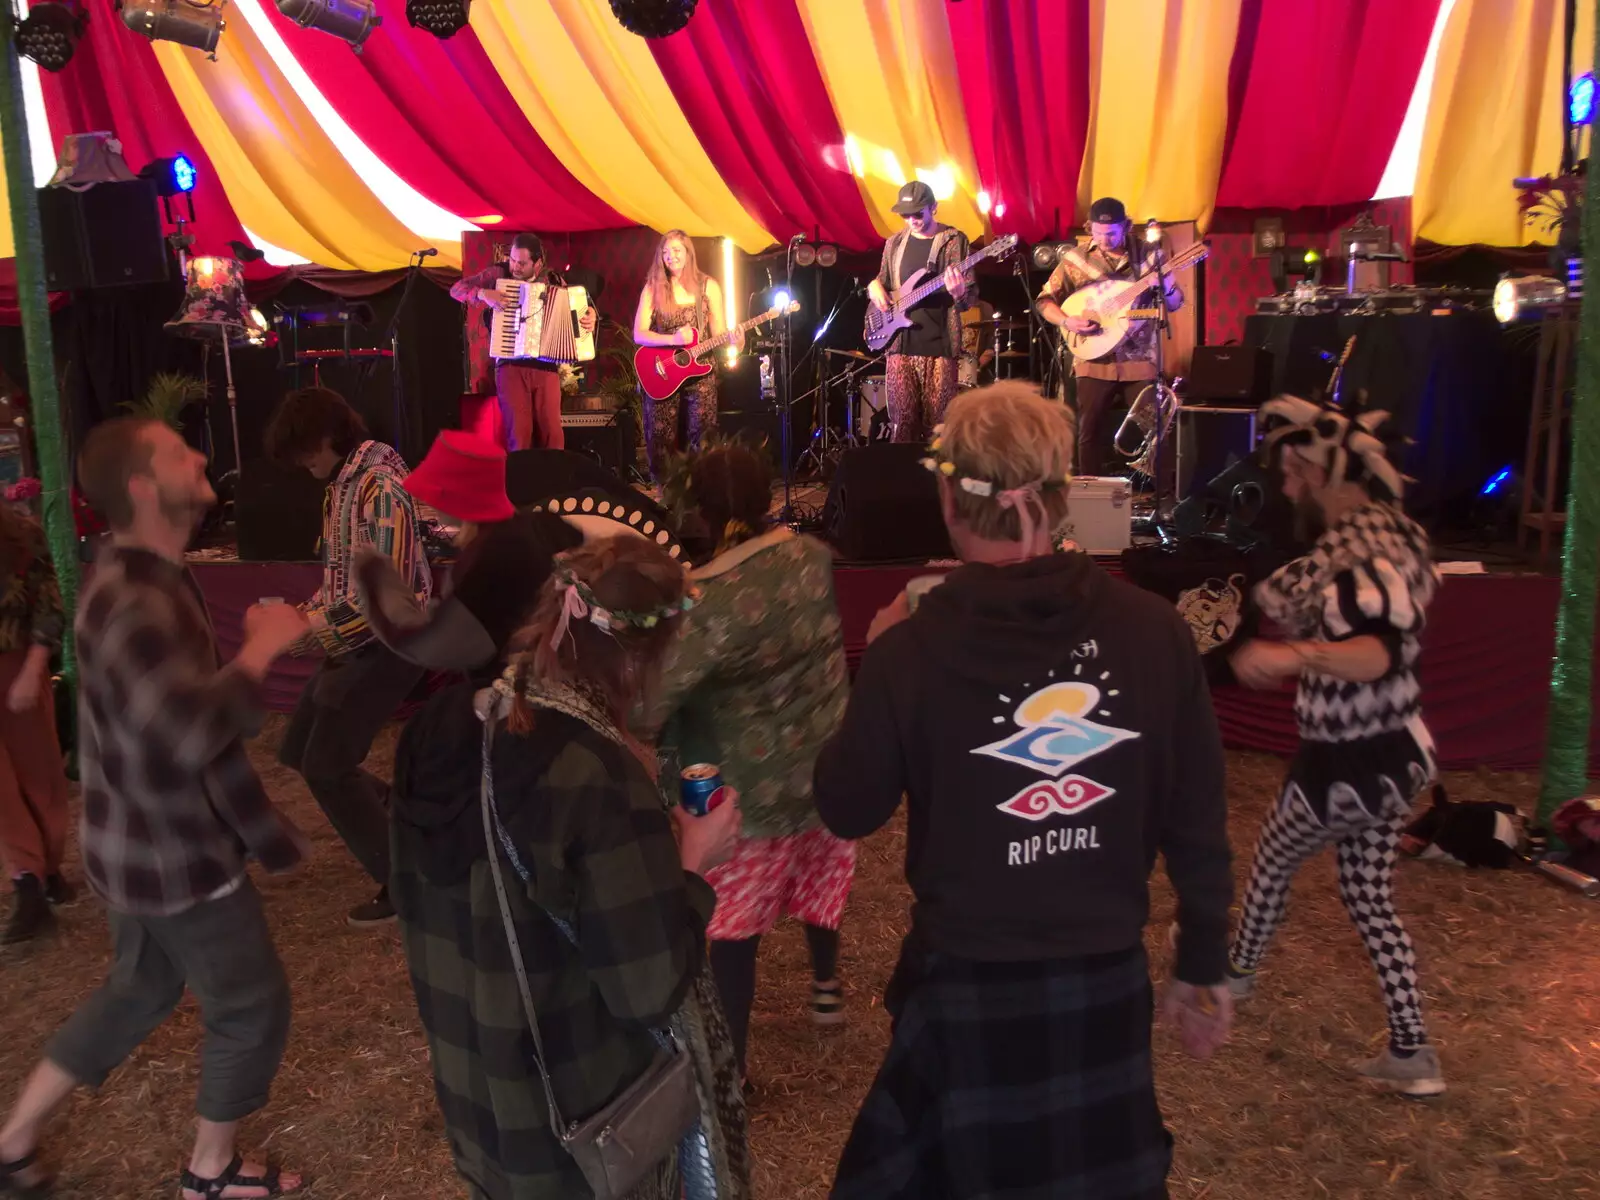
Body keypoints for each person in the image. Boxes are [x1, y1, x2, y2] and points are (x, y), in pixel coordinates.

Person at [813, 382, 1233, 1199]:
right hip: (1103, 982)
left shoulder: (911, 647)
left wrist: (871, 662)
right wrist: (1203, 962)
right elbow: (1199, 814)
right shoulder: (1154, 631)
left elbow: (845, 805)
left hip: (966, 982)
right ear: (1059, 492)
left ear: (947, 495)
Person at [0, 417, 309, 1200]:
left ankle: (10, 1141)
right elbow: (183, 735)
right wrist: (262, 649)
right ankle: (211, 1172)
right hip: (174, 855)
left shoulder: (150, 575)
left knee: (138, 989)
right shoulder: (132, 600)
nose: (200, 454)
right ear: (143, 489)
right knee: (251, 1005)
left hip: (134, 845)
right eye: (178, 452)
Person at [389, 536, 750, 1199]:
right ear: (644, 655)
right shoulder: (592, 774)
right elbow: (646, 985)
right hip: (580, 1129)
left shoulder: (442, 727)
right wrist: (693, 861)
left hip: (482, 1097)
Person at [1225, 393, 1445, 1097]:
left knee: (1271, 857)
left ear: (1319, 471)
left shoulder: (1365, 555)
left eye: (1292, 476)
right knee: (1368, 895)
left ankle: (1233, 978)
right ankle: (1413, 1053)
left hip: (1351, 758)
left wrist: (1292, 659)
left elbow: (1378, 654)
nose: (1287, 489)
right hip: (1391, 752)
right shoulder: (1382, 537)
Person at [640, 444, 853, 1083]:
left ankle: (730, 1071)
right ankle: (825, 987)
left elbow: (654, 702)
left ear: (699, 510)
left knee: (734, 934)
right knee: (819, 886)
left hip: (750, 796)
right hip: (822, 772)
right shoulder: (812, 558)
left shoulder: (709, 598)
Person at [265, 387, 431, 927]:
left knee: (326, 764)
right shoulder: (343, 485)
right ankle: (406, 819)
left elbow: (389, 595)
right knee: (298, 749)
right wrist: (303, 616)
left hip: (389, 644)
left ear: (329, 437)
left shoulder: (379, 486)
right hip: (357, 641)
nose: (301, 462)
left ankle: (406, 882)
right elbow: (339, 580)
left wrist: (310, 629)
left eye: (304, 449)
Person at [360, 428, 582, 688]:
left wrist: (375, 583)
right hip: (554, 679)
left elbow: (438, 646)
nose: (430, 504)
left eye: (436, 495)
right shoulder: (534, 525)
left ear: (456, 496)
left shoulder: (493, 555)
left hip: (518, 694)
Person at [1035, 196, 1184, 475]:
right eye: (1099, 233)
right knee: (1088, 432)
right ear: (1089, 227)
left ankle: (1162, 498)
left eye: (1113, 233)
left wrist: (1169, 285)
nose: (1105, 239)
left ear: (1126, 226)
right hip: (1092, 359)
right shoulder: (1075, 259)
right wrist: (1068, 321)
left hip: (1139, 358)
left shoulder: (1149, 255)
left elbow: (1175, 304)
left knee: (1156, 430)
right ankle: (1090, 494)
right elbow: (1044, 301)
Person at [451, 232, 600, 453]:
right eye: (512, 259)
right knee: (519, 436)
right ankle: (521, 486)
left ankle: (553, 485)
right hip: (510, 366)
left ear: (538, 263)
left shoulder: (554, 280)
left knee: (552, 434)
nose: (514, 267)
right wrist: (483, 293)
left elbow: (578, 308)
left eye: (521, 263)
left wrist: (591, 316)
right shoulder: (498, 274)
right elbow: (457, 289)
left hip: (546, 367)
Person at [0, 503, 73, 944]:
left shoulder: (22, 536)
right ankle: (27, 881)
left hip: (19, 666)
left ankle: (46, 869)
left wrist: (34, 668)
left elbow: (49, 606)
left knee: (40, 779)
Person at [866, 180, 974, 444]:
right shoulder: (894, 244)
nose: (912, 220)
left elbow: (968, 297)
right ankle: (905, 482)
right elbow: (882, 280)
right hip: (900, 345)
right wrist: (873, 287)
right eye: (906, 215)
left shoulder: (953, 240)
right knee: (902, 424)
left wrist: (959, 293)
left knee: (939, 426)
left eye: (918, 213)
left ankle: (938, 483)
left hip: (939, 345)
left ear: (933, 208)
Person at [632, 230, 739, 479]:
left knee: (704, 437)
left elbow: (719, 332)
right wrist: (673, 340)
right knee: (660, 440)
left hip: (700, 370)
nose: (671, 257)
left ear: (688, 253)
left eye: (676, 250)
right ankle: (666, 495)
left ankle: (702, 495)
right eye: (666, 252)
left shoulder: (708, 287)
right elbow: (639, 334)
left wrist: (736, 339)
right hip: (664, 370)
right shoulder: (652, 288)